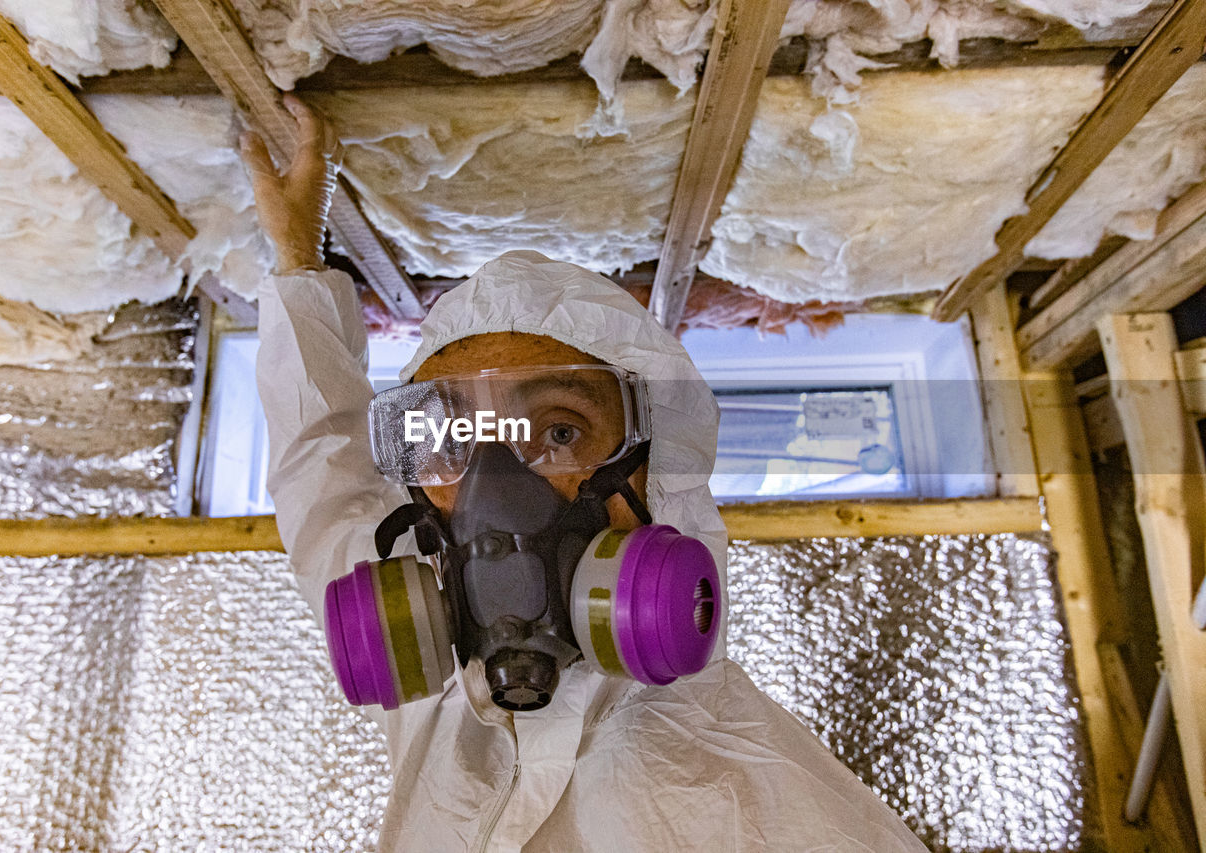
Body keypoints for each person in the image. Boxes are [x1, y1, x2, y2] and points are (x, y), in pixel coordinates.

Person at [242, 95, 926, 852]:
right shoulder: (442, 697)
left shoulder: (770, 807)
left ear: (652, 470)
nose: (491, 489)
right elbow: (323, 465)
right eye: (456, 440)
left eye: (558, 431)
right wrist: (298, 255)